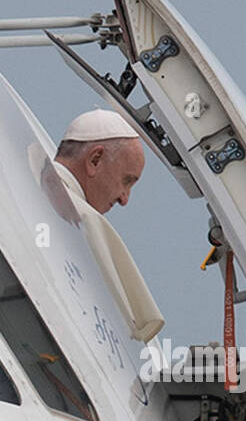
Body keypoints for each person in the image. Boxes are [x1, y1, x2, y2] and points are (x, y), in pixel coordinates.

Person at [50, 109, 164, 343]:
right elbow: (125, 337)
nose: (124, 199)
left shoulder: (24, 178)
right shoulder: (82, 220)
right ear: (95, 160)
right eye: (127, 181)